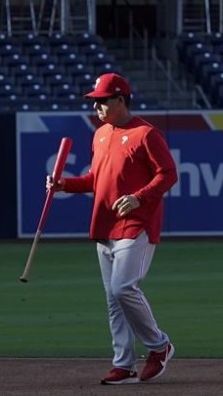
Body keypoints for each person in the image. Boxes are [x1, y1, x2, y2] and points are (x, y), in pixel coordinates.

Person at [47, 72, 178, 385]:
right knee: (112, 298)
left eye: (103, 101)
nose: (98, 108)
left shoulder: (146, 133)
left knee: (123, 288)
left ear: (121, 99)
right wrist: (63, 184)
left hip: (137, 223)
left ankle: (160, 346)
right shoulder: (101, 134)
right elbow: (95, 179)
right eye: (95, 102)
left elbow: (168, 174)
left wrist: (137, 198)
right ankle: (124, 365)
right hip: (105, 222)